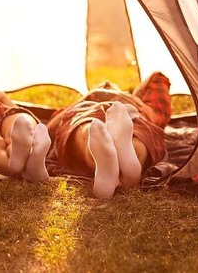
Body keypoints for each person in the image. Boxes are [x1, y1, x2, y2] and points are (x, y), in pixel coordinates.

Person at [46, 71, 172, 199]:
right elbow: (158, 79)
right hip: (132, 114)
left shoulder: (94, 96)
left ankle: (108, 169)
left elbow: (53, 127)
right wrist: (135, 101)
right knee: (137, 134)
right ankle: (130, 172)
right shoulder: (143, 106)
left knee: (88, 128)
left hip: (90, 110)